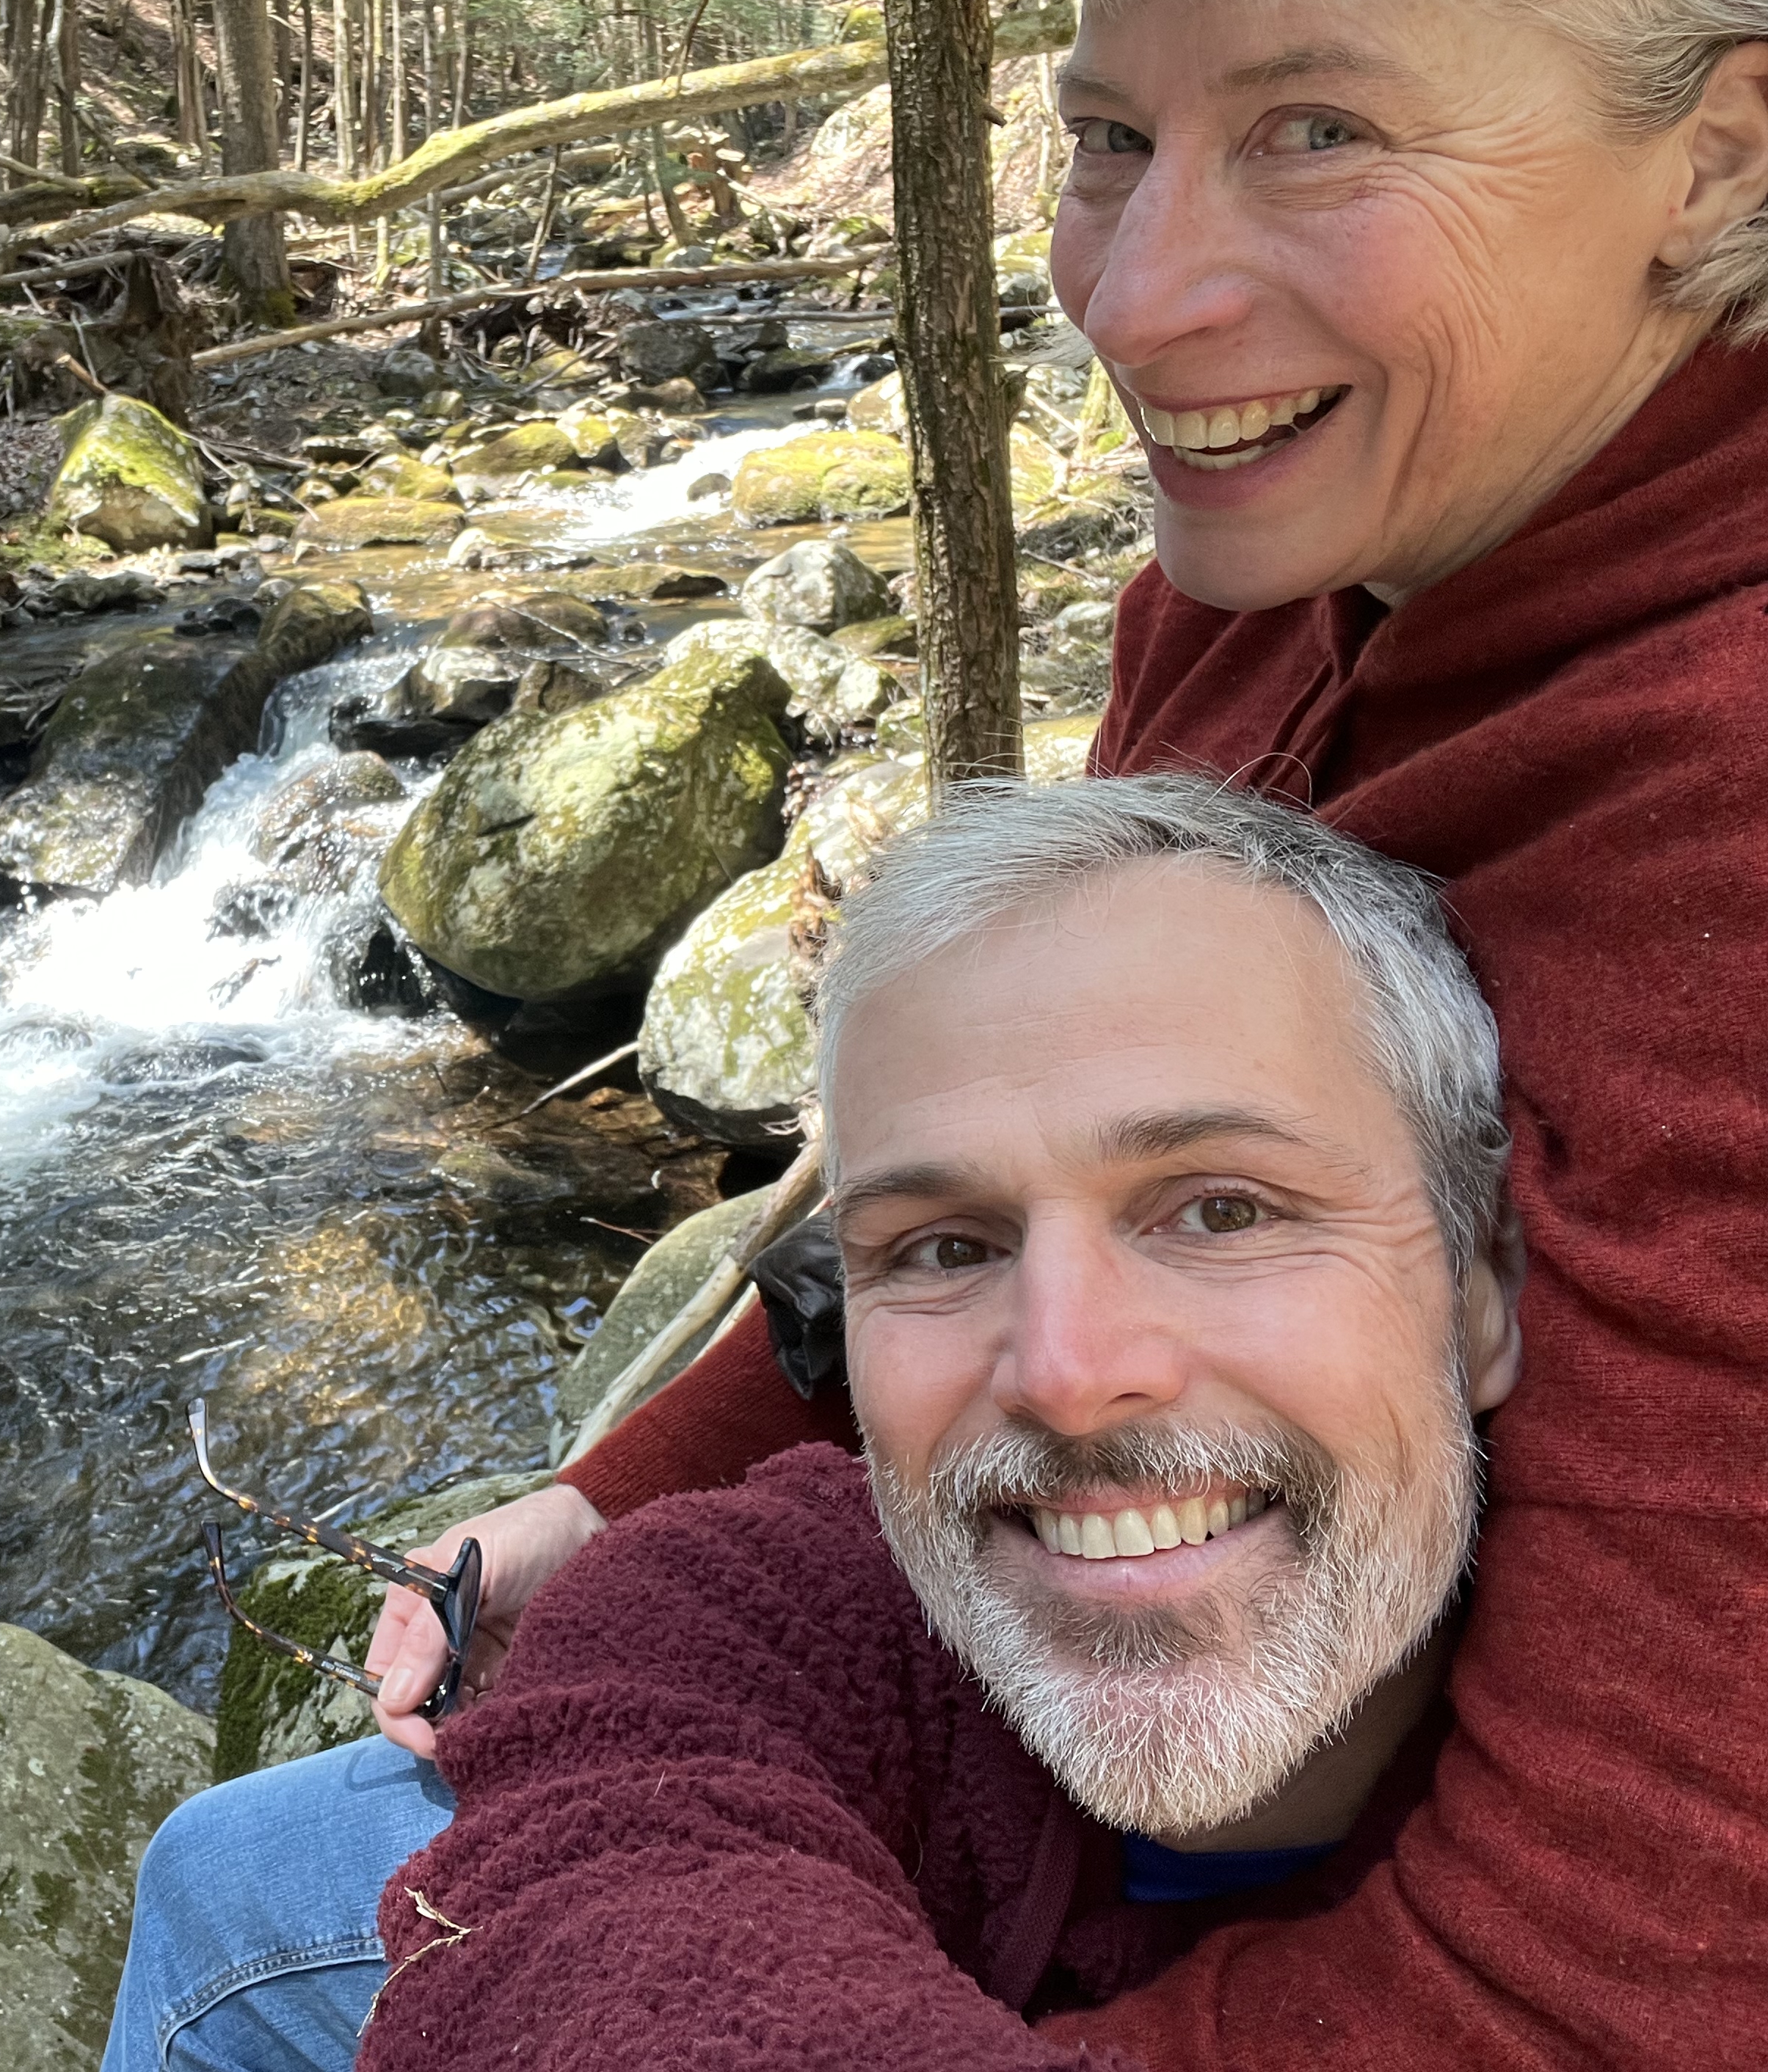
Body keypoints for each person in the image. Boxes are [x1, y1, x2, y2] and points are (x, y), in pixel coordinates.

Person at [106, 0, 1768, 2063]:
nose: (1136, 294)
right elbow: (1001, 1155)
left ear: (1718, 156)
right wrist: (616, 1496)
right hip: (1174, 1719)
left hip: (1381, 1899)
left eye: (1321, 132)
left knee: (245, 1933)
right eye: (1107, 139)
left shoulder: (1719, 802)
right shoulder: (1281, 570)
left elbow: (1588, 1992)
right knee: (239, 1868)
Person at [353, 776, 1520, 2066]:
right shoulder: (763, 1604)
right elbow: (588, 1905)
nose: (1068, 1373)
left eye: (1224, 1211)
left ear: (1487, 1296)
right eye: (946, 1245)